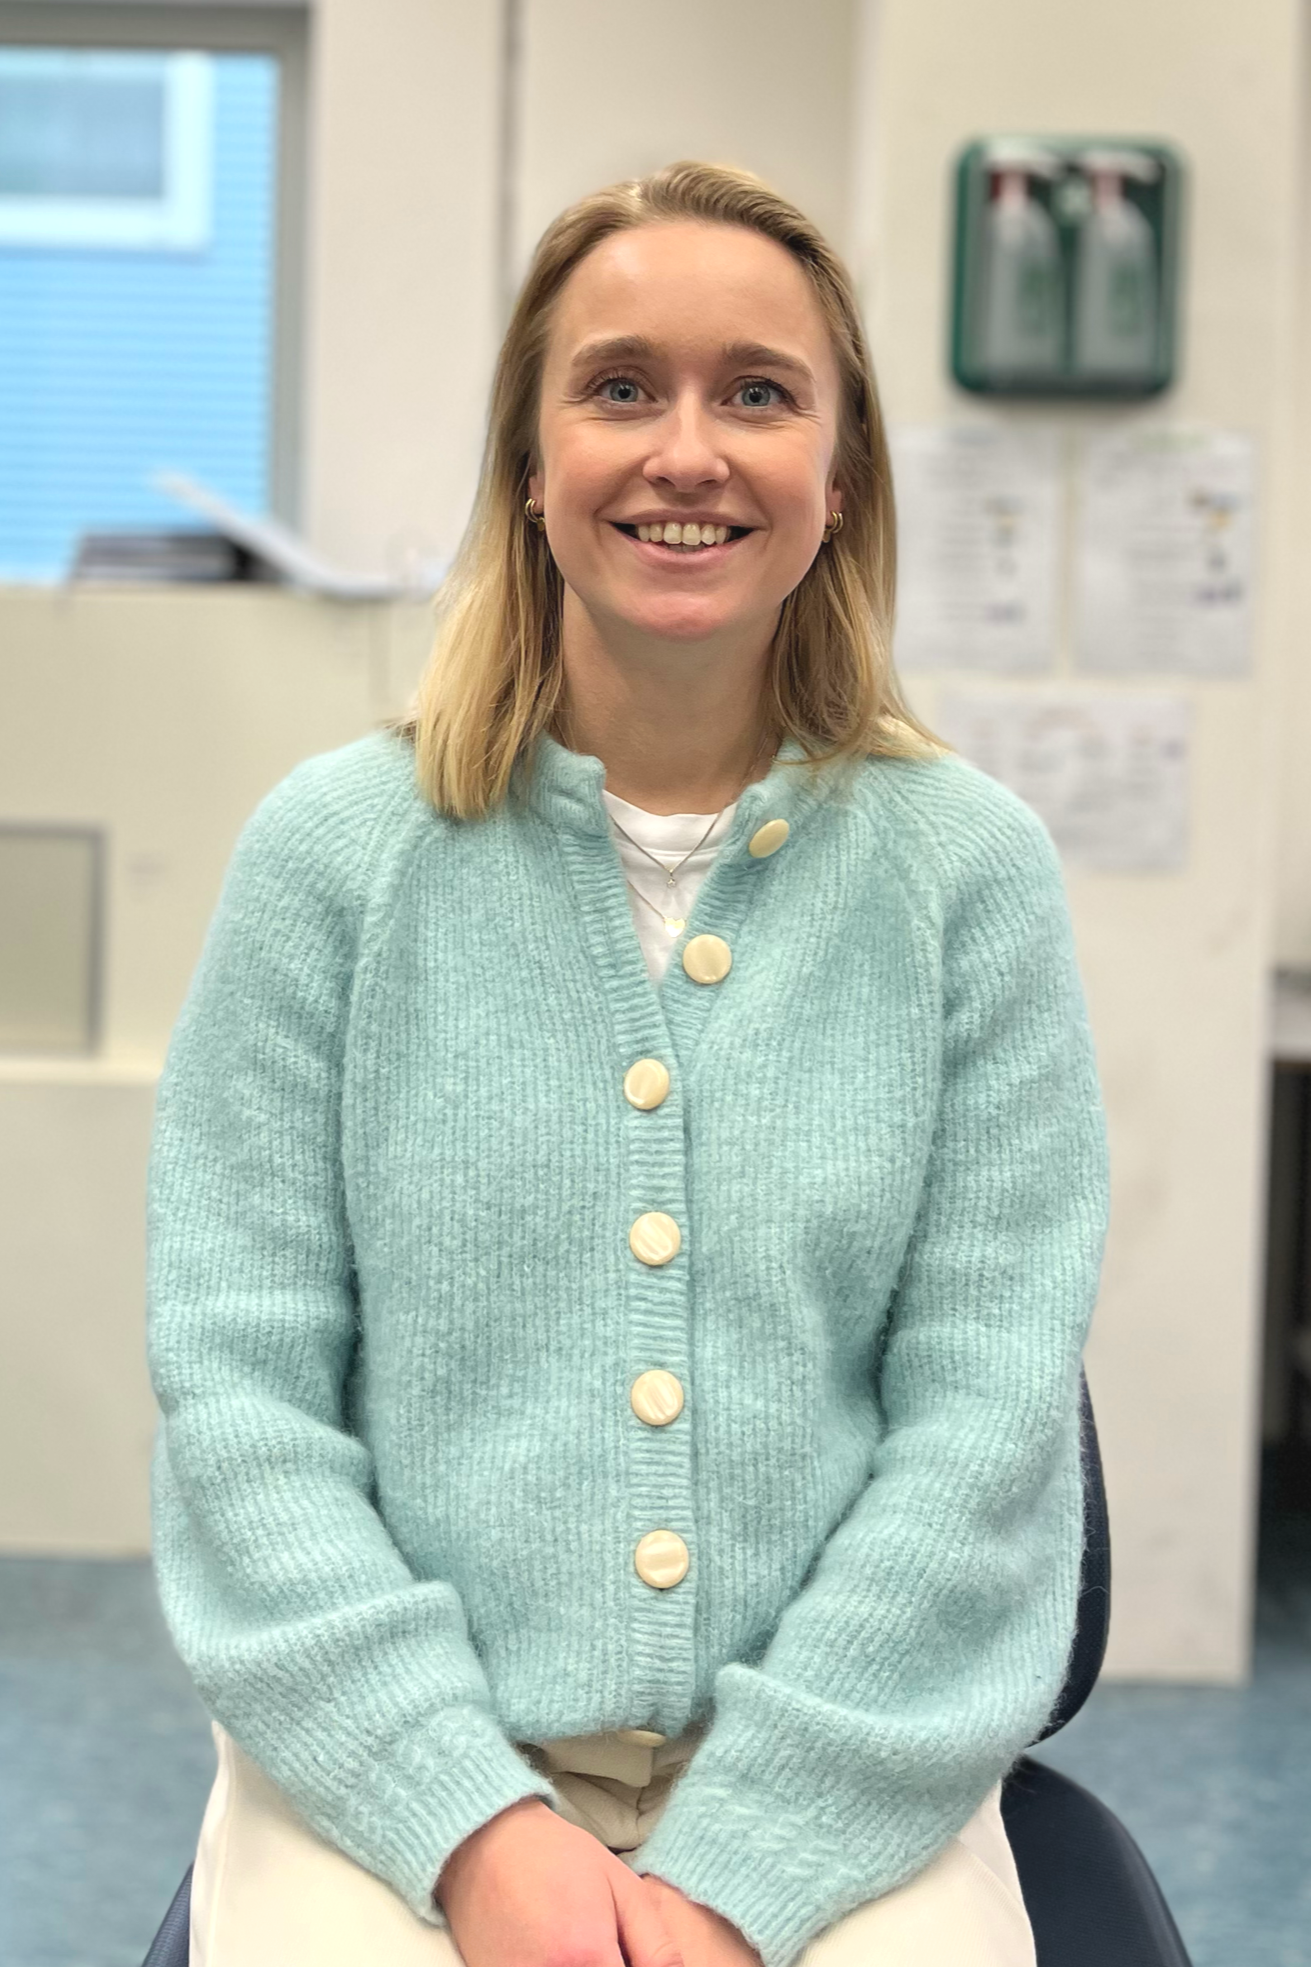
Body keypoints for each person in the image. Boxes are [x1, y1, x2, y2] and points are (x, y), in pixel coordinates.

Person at [145, 160, 1110, 1967]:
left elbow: (985, 1429)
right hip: (397, 1763)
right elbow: (241, 1401)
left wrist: (747, 1861)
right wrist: (473, 1825)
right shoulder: (330, 862)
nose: (688, 449)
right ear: (531, 468)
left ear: (839, 481)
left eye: (758, 391)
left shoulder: (967, 877)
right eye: (618, 387)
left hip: (849, 1760)